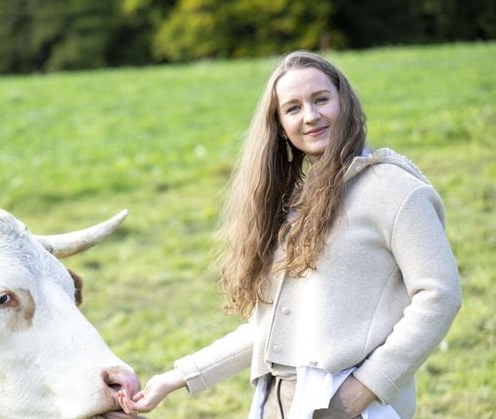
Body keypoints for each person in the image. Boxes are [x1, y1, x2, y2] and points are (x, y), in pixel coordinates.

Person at [123, 51, 462, 418]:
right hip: (276, 400)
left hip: (348, 405)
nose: (311, 116)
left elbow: (440, 295)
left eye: (321, 99)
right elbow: (267, 331)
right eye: (293, 108)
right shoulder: (299, 202)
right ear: (280, 124)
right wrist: (177, 378)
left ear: (344, 101)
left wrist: (364, 388)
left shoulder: (394, 189)